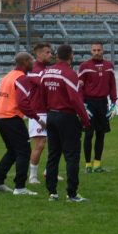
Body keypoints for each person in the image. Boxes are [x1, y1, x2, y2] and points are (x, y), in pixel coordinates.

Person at [41, 44, 91, 202]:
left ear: (57, 56)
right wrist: (85, 120)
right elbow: (75, 99)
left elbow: (42, 94)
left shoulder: (47, 72)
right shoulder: (69, 73)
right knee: (72, 156)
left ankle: (52, 192)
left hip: (51, 115)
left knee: (53, 155)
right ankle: (72, 193)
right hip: (67, 116)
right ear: (71, 56)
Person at [0, 52, 44, 196]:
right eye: (31, 59)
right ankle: (20, 187)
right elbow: (22, 102)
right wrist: (37, 119)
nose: (33, 62)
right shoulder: (21, 78)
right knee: (24, 151)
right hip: (11, 118)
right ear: (25, 61)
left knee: (12, 151)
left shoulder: (7, 76)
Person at [78, 42, 117, 174]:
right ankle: (88, 165)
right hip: (89, 104)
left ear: (103, 51)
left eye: (98, 50)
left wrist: (113, 103)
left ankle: (97, 164)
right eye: (94, 50)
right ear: (91, 51)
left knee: (101, 134)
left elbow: (112, 85)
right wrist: (82, 104)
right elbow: (79, 87)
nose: (96, 52)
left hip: (103, 103)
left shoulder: (109, 66)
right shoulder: (84, 66)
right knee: (89, 134)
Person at [26, 42, 52, 184]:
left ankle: (50, 171)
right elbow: (44, 83)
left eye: (50, 52)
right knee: (40, 144)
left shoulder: (46, 69)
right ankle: (32, 176)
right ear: (39, 54)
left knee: (55, 143)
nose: (50, 55)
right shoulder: (34, 69)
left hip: (50, 110)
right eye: (47, 52)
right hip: (38, 112)